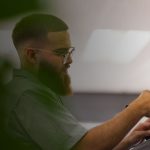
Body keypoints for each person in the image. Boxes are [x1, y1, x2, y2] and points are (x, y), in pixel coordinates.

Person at [2, 13, 150, 150]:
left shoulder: (31, 92)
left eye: (69, 52)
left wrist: (127, 142)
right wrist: (138, 107)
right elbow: (83, 147)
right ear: (32, 55)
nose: (70, 60)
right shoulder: (27, 96)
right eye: (61, 53)